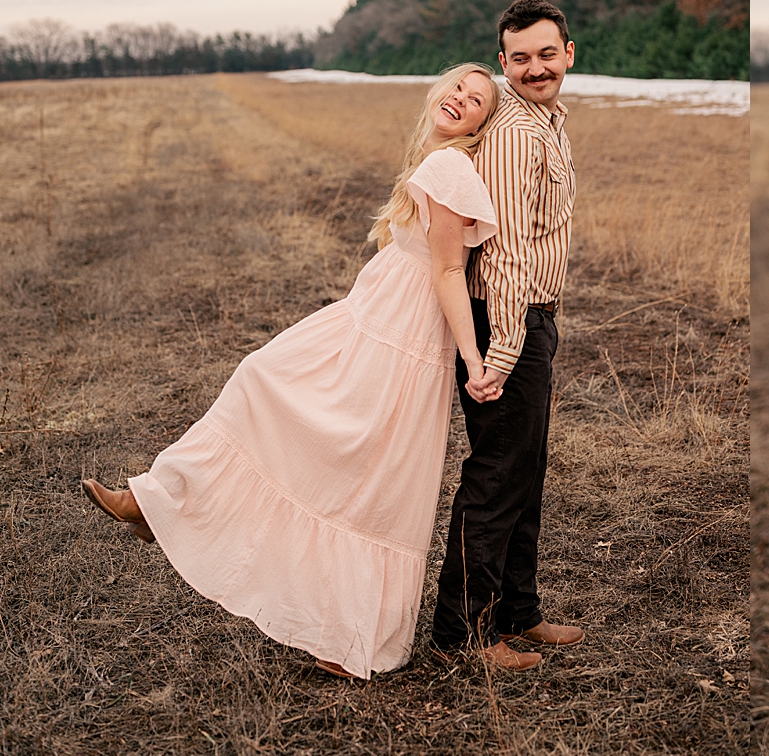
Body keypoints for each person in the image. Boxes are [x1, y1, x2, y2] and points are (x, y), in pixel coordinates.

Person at [81, 63, 504, 680]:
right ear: (438, 94)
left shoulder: (449, 168)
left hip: (399, 333)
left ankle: (168, 505)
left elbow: (446, 273)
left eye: (476, 101)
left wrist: (472, 358)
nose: (461, 100)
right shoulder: (437, 160)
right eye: (457, 89)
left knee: (339, 446)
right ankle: (162, 504)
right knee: (352, 455)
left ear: (481, 123)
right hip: (377, 317)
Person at [429, 0, 581, 671]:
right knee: (495, 475)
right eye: (520, 58)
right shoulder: (517, 132)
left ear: (568, 52)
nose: (535, 67)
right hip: (506, 319)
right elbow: (509, 251)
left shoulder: (548, 119)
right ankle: (463, 633)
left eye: (546, 53)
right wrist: (504, 350)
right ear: (503, 62)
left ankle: (521, 611)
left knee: (527, 468)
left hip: (530, 316)